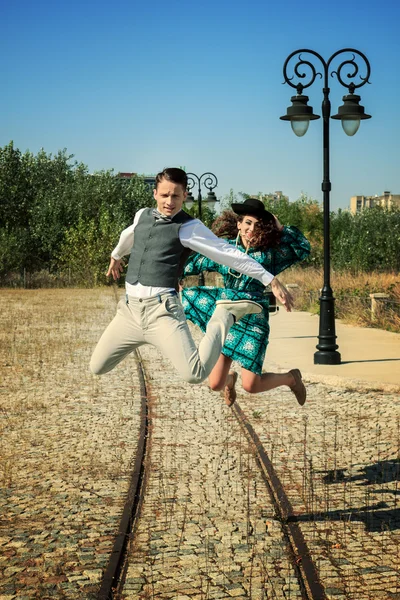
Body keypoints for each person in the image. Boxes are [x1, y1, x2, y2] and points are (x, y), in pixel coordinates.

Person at [90, 169, 294, 385]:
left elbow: (228, 254)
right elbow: (129, 234)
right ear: (155, 193)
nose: (169, 201)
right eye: (165, 195)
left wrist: (269, 279)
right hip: (129, 312)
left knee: (195, 374)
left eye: (176, 196)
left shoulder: (189, 227)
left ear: (185, 195)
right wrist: (116, 255)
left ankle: (224, 315)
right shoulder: (142, 215)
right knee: (97, 366)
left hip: (162, 312)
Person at [180, 197, 311, 404]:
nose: (251, 229)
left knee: (251, 385)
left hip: (253, 318)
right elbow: (194, 262)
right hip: (227, 316)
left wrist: (282, 228)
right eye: (248, 223)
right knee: (215, 384)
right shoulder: (223, 249)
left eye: (258, 226)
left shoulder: (270, 255)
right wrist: (176, 277)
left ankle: (291, 378)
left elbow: (303, 248)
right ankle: (229, 380)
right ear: (239, 224)